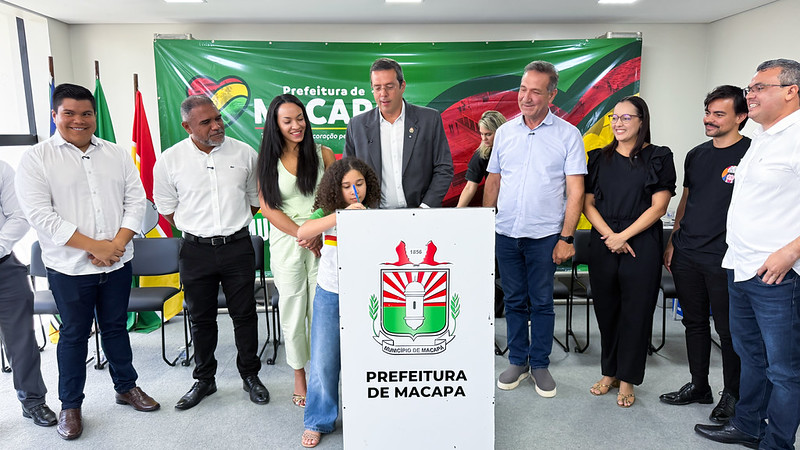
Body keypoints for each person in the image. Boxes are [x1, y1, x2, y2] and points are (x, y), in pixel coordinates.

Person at [15, 83, 159, 440]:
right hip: (69, 267)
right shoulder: (37, 158)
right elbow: (41, 216)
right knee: (74, 334)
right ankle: (71, 405)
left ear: (94, 116)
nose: (79, 120)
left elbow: (135, 201)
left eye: (86, 114)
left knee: (115, 328)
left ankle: (126, 387)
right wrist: (96, 246)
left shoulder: (116, 154)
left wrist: (116, 246)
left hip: (117, 262)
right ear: (55, 115)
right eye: (69, 113)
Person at [695, 59, 800, 450]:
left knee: (784, 370)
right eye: (749, 88)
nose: (749, 95)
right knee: (750, 356)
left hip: (778, 275)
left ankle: (777, 443)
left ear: (791, 91)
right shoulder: (763, 136)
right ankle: (748, 425)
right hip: (740, 267)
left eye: (759, 87)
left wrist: (791, 252)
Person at [153, 95, 268, 410]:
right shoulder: (170, 160)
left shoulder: (244, 153)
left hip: (238, 247)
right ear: (187, 126)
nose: (217, 125)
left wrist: (230, 226)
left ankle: (250, 376)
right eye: (206, 122)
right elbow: (166, 207)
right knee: (201, 318)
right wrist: (199, 230)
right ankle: (205, 379)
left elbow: (254, 199)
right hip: (195, 250)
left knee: (245, 315)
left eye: (218, 118)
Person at [483, 61, 587, 398]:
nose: (526, 97)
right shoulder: (505, 133)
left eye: (536, 92)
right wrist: (486, 225)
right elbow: (494, 180)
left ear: (552, 95)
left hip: (545, 237)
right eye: (523, 89)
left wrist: (566, 237)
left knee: (541, 302)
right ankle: (518, 360)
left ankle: (540, 363)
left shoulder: (568, 135)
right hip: (506, 233)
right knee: (513, 300)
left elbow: (575, 191)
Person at [660, 85, 749, 422]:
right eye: (708, 112)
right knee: (694, 323)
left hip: (726, 257)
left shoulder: (751, 153)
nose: (709, 119)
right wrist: (674, 240)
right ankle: (699, 385)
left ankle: (733, 395)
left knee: (728, 331)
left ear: (741, 117)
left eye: (719, 114)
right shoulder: (696, 154)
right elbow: (687, 198)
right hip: (688, 252)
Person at [583, 96, 676, 408]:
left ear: (641, 121)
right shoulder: (598, 158)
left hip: (641, 242)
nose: (618, 123)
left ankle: (627, 379)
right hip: (604, 241)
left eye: (626, 117)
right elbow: (587, 204)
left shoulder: (659, 156)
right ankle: (609, 372)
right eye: (614, 117)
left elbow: (659, 206)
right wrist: (611, 236)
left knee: (636, 313)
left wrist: (623, 236)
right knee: (607, 311)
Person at [296, 157, 380, 448]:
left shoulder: (375, 213)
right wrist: (341, 216)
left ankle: (369, 415)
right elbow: (303, 232)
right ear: (336, 188)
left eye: (360, 183)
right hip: (330, 293)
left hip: (365, 296)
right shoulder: (327, 212)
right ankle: (318, 420)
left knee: (368, 359)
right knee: (323, 360)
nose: (355, 191)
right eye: (346, 186)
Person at [256, 94, 334, 408]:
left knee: (321, 310)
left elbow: (334, 197)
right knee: (292, 309)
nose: (296, 125)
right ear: (275, 125)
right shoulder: (266, 160)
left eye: (299, 118)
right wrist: (302, 234)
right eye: (287, 121)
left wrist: (315, 232)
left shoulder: (323, 153)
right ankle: (299, 374)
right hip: (287, 242)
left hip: (323, 241)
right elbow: (268, 208)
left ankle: (321, 375)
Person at [344, 57, 453, 208]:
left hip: (422, 213)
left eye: (389, 87)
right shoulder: (357, 126)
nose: (383, 94)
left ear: (402, 86)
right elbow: (348, 174)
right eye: (377, 88)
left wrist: (425, 208)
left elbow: (444, 168)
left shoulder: (429, 119)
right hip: (373, 216)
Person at [0, 160, 57, 428]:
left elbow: (19, 216)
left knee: (21, 340)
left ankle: (33, 401)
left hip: (4, 267)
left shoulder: (1, 169)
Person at [456, 110, 507, 207]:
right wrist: (457, 211)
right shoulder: (482, 154)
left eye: (488, 134)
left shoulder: (515, 149)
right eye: (482, 134)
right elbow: (470, 187)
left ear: (500, 132)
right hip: (495, 205)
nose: (484, 139)